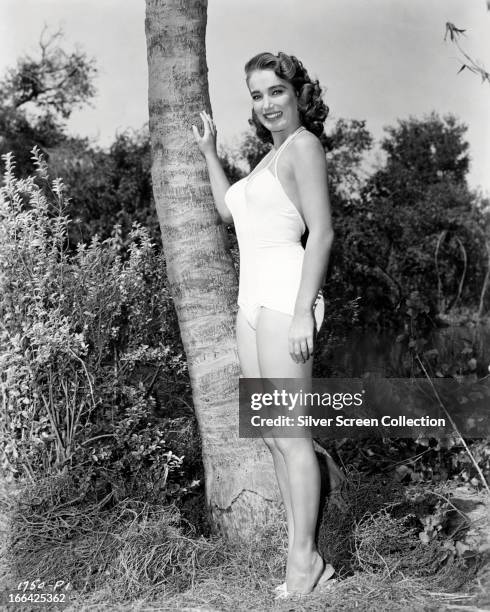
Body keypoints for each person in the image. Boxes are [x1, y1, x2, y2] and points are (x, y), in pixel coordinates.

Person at [192, 51, 335, 598]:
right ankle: (303, 555)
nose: (267, 104)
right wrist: (210, 151)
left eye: (276, 91)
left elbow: (320, 233)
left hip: (285, 302)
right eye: (257, 95)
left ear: (298, 92)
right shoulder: (269, 157)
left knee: (293, 437)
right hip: (250, 306)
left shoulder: (303, 148)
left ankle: (305, 562)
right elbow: (230, 212)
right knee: (275, 439)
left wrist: (303, 312)